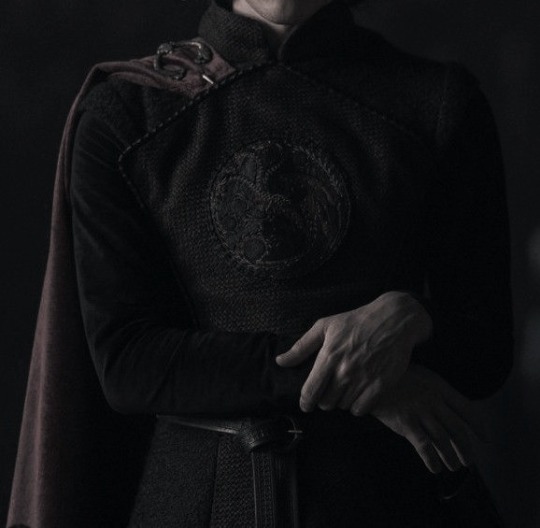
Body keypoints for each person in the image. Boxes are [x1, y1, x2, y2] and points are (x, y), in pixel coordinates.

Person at [8, 0, 513, 526]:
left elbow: (486, 348)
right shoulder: (128, 113)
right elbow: (129, 362)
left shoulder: (437, 102)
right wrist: (352, 372)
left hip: (390, 503)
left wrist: (412, 317)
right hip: (198, 507)